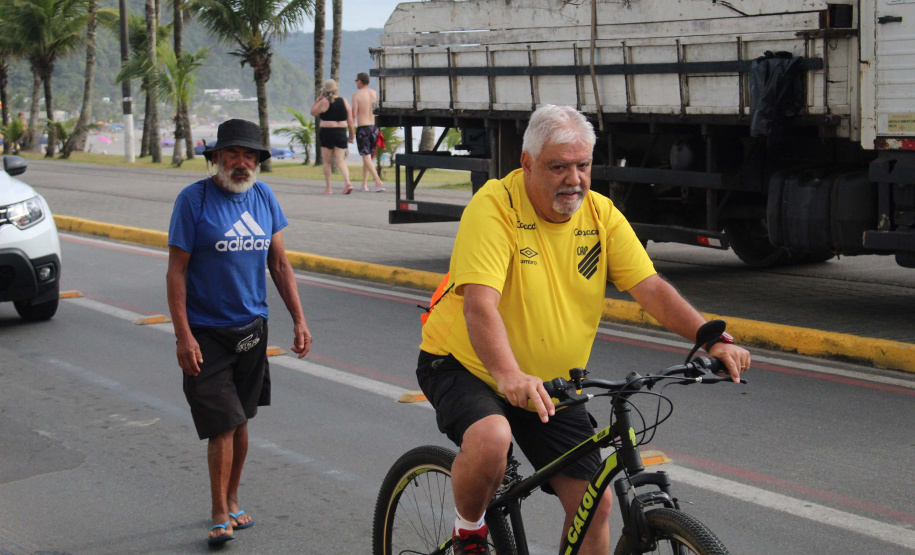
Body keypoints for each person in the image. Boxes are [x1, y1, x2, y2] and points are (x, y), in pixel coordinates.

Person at [416, 105, 751, 555]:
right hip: (466, 365)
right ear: (527, 163)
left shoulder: (601, 216)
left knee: (596, 505)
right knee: (492, 438)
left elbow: (649, 288)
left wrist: (709, 337)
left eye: (583, 165)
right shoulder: (495, 207)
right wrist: (509, 374)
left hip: (551, 383)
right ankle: (469, 532)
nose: (573, 179)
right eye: (558, 167)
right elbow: (480, 306)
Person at [166, 118, 313, 546]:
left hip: (252, 328)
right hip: (206, 332)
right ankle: (217, 511)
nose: (242, 162)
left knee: (242, 417)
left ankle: (232, 498)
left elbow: (280, 265)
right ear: (215, 158)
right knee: (223, 422)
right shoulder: (192, 201)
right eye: (233, 154)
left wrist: (299, 320)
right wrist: (183, 335)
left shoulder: (264, 197)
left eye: (250, 155)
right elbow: (177, 272)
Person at [310, 79, 355, 194]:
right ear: (336, 89)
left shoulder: (324, 102)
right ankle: (348, 182)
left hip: (327, 133)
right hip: (341, 132)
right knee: (340, 160)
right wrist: (351, 134)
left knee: (327, 161)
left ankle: (328, 187)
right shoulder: (344, 101)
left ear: (325, 91)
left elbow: (313, 112)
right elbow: (350, 121)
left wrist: (318, 100)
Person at [352, 72, 385, 192]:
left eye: (356, 81)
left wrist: (351, 130)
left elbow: (354, 114)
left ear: (359, 81)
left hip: (364, 127)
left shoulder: (357, 95)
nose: (356, 83)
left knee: (365, 156)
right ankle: (364, 184)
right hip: (374, 127)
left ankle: (377, 181)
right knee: (368, 156)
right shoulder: (375, 94)